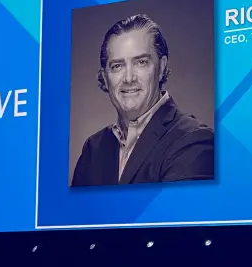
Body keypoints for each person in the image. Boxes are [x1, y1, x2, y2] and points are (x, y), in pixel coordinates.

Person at [72, 14, 214, 187]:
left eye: (141, 62)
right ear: (105, 77)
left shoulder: (193, 140)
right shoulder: (93, 149)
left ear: (161, 67)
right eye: (117, 66)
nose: (129, 78)